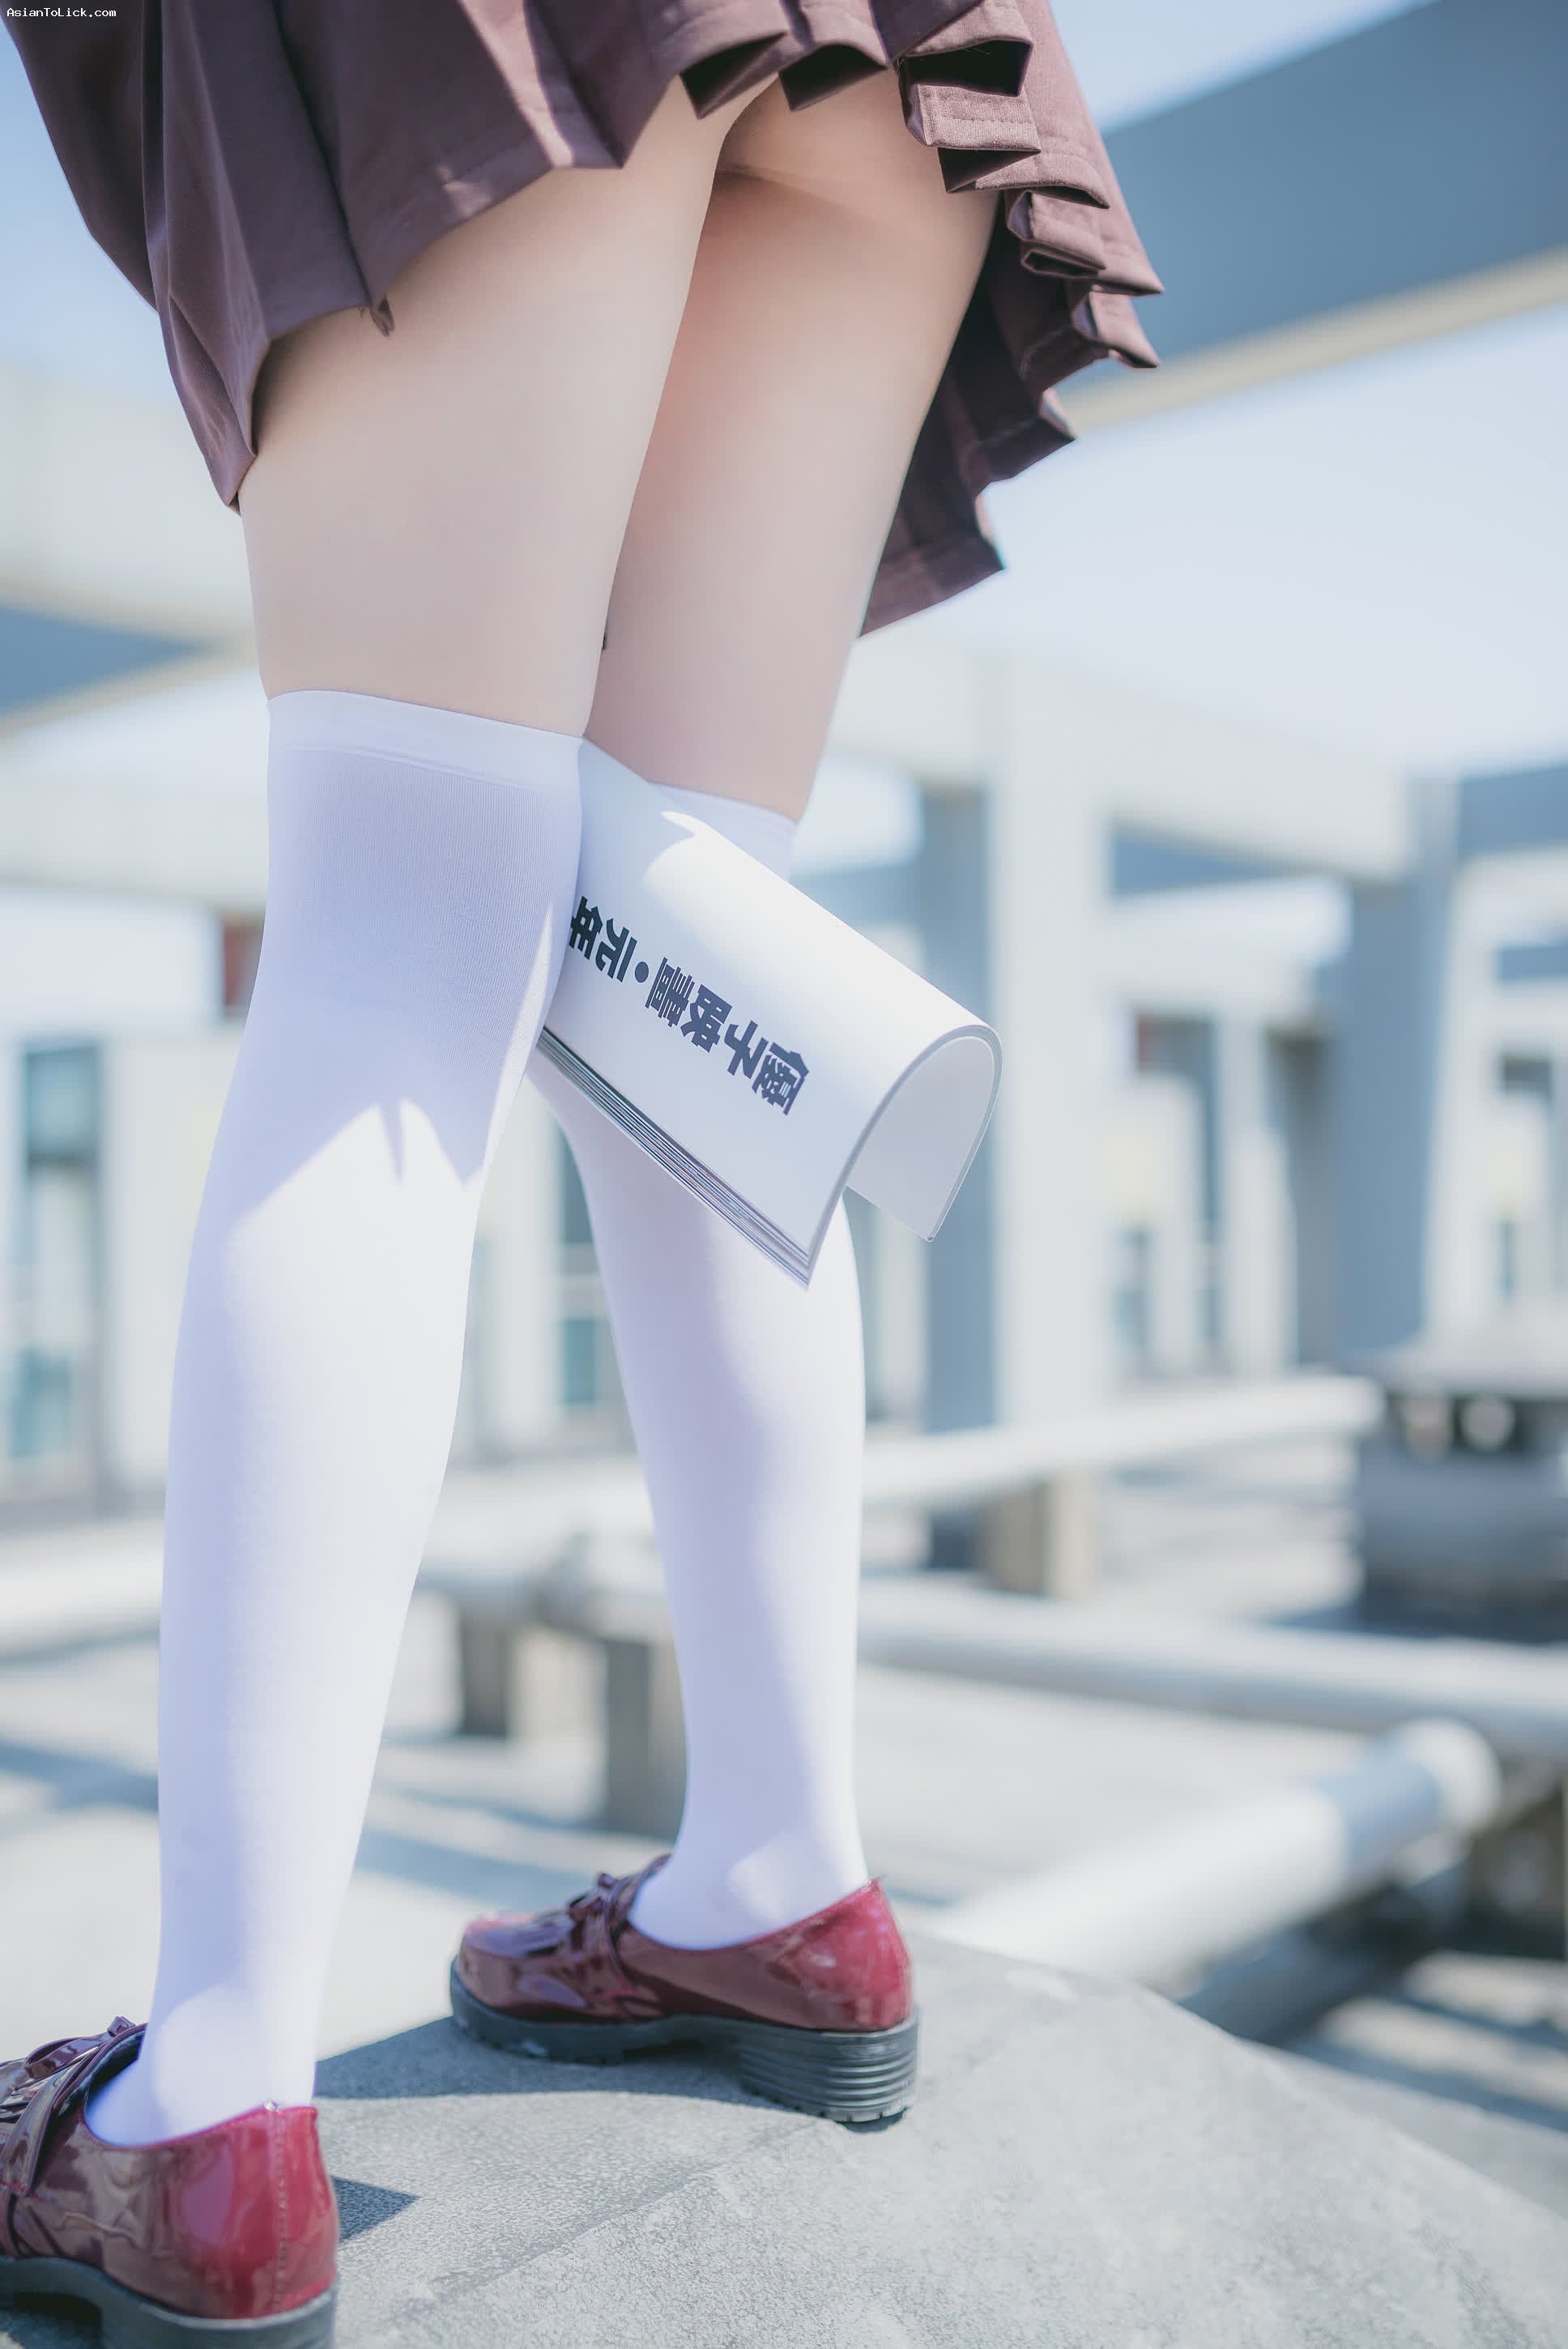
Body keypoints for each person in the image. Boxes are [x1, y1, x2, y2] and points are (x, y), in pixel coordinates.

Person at [0, 9, 1158, 2342]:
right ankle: (780, 1875)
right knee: (686, 948)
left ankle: (205, 2103)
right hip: (890, 68)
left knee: (393, 929)